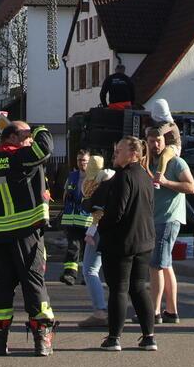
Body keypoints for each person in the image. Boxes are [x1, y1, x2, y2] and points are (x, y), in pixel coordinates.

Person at [0, 120, 56, 356]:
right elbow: (45, 147)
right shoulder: (18, 158)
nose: (30, 138)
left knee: (1, 288)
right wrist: (40, 128)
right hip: (25, 232)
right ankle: (42, 340)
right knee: (34, 285)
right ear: (11, 138)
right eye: (26, 134)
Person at [87, 135, 158, 350]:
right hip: (145, 239)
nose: (115, 154)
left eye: (119, 150)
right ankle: (149, 337)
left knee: (118, 289)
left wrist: (100, 225)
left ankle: (114, 338)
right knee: (139, 288)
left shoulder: (123, 177)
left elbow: (117, 212)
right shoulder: (146, 175)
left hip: (121, 242)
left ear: (133, 153)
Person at [146, 126, 194, 325]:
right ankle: (171, 311)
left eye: (158, 140)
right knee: (165, 265)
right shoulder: (149, 162)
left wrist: (166, 182)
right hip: (154, 219)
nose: (155, 144)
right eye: (151, 141)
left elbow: (191, 187)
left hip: (169, 219)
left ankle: (154, 312)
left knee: (156, 264)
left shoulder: (176, 162)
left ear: (165, 141)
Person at [74, 154, 112, 328]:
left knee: (89, 270)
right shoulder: (113, 177)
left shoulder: (93, 182)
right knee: (117, 273)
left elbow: (96, 211)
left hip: (98, 228)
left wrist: (90, 231)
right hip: (115, 228)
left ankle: (100, 311)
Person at [59, 153, 96, 286]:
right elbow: (65, 195)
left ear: (89, 161)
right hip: (72, 220)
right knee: (73, 247)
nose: (82, 163)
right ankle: (70, 274)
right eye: (79, 160)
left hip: (87, 221)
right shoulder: (72, 176)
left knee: (87, 251)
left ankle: (87, 277)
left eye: (84, 160)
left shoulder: (94, 178)